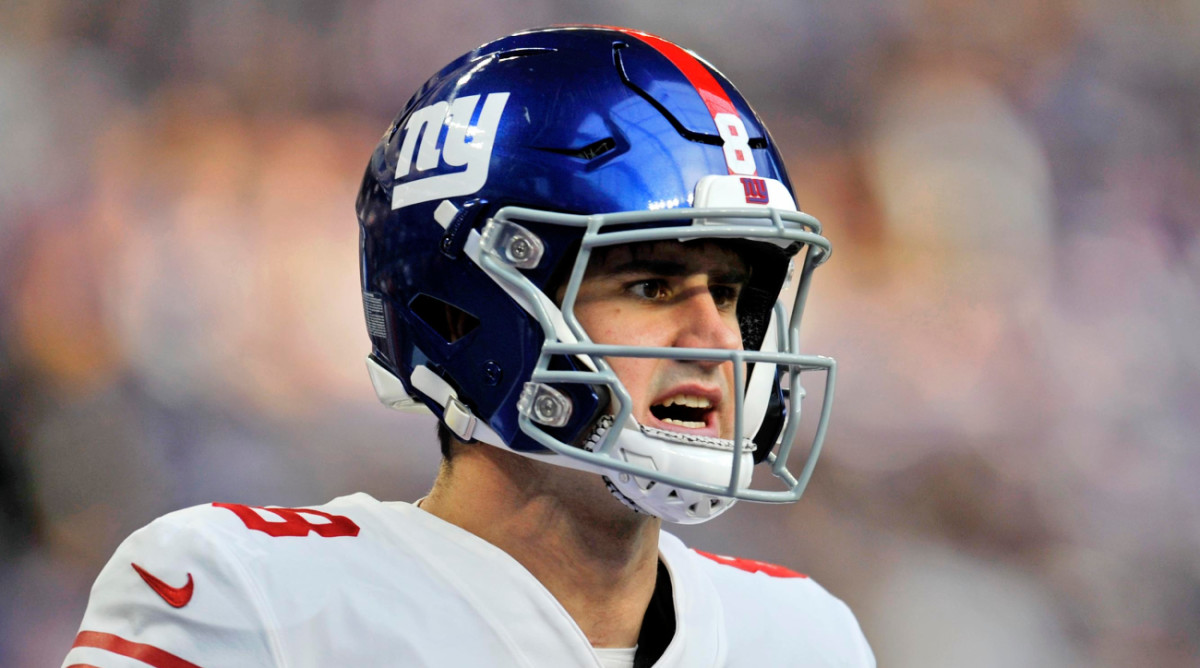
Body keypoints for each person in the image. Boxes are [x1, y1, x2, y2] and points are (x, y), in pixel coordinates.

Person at [63, 26, 873, 667]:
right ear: (466, 311)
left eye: (731, 295)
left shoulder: (805, 638)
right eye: (651, 286)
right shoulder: (250, 599)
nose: (714, 341)